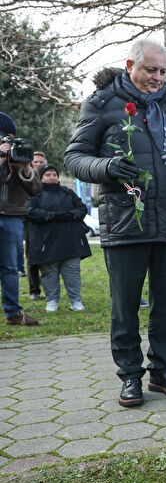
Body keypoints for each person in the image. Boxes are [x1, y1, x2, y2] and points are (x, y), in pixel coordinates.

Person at [65, 39, 166, 407]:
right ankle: (130, 375)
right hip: (125, 221)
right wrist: (106, 167)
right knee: (125, 305)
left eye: (164, 71)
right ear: (130, 64)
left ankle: (162, 372)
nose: (158, 78)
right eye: (151, 70)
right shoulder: (101, 104)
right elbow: (74, 157)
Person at [25, 164, 91, 312]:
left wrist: (69, 215)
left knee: (72, 271)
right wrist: (50, 216)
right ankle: (52, 301)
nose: (52, 177)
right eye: (48, 175)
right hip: (46, 242)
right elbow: (28, 210)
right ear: (41, 177)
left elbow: (81, 208)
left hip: (70, 241)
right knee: (49, 273)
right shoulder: (35, 194)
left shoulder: (67, 192)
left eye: (54, 174)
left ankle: (76, 301)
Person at [0, 112, 41, 326]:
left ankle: (14, 313)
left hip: (11, 217)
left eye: (8, 138)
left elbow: (35, 189)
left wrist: (26, 169)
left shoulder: (17, 155)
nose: (6, 142)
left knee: (9, 268)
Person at [24, 151, 47, 300]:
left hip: (47, 221)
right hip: (30, 221)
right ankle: (34, 290)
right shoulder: (24, 176)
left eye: (41, 162)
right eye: (35, 162)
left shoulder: (49, 177)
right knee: (32, 256)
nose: (38, 164)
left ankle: (49, 287)